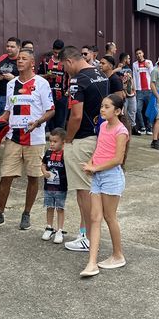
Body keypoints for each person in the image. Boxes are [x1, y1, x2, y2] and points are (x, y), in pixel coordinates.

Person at [0, 48, 54, 232]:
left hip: (35, 138)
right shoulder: (11, 84)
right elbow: (8, 109)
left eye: (24, 59)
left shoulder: (42, 83)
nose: (19, 61)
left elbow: (51, 110)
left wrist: (38, 122)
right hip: (13, 137)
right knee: (6, 176)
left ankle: (26, 213)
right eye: (18, 59)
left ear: (32, 63)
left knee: (33, 177)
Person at [59, 45, 109, 252]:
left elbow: (76, 116)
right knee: (93, 189)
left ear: (69, 61)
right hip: (99, 135)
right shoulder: (100, 73)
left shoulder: (77, 80)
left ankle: (89, 237)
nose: (65, 70)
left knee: (83, 191)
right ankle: (87, 233)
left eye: (64, 66)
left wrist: (67, 140)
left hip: (82, 139)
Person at [80, 93, 129, 278]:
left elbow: (117, 159)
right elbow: (99, 149)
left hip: (111, 178)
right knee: (94, 218)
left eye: (107, 107)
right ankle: (92, 262)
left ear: (117, 111)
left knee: (109, 217)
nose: (102, 109)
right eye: (102, 106)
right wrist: (91, 164)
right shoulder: (102, 125)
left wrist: (95, 167)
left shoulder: (121, 131)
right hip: (97, 176)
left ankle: (118, 255)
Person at [40, 127, 68, 244]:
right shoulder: (48, 153)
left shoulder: (65, 155)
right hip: (48, 187)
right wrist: (44, 172)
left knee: (60, 208)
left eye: (55, 141)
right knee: (49, 207)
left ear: (63, 142)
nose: (51, 144)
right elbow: (43, 164)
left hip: (61, 188)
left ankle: (59, 230)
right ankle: (49, 227)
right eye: (50, 141)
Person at [39, 39, 67, 131]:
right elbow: (37, 76)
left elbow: (73, 76)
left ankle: (59, 139)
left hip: (62, 95)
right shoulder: (45, 61)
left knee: (60, 120)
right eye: (55, 52)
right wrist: (47, 75)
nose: (57, 55)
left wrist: (68, 91)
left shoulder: (66, 62)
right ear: (52, 49)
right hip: (47, 95)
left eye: (59, 53)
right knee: (47, 119)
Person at [132, 49, 154, 135]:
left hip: (148, 90)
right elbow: (134, 76)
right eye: (137, 54)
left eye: (140, 53)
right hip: (139, 90)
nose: (138, 55)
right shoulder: (134, 64)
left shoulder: (149, 62)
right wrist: (134, 89)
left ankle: (149, 128)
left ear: (143, 53)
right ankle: (142, 127)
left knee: (149, 109)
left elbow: (152, 74)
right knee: (138, 109)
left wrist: (149, 67)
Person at [118, 53, 137, 133]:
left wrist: (134, 88)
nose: (129, 60)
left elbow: (131, 79)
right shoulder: (119, 69)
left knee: (133, 110)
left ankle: (133, 127)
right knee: (124, 112)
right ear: (125, 59)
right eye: (128, 58)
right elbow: (119, 81)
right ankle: (124, 127)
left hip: (131, 93)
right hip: (124, 94)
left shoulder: (129, 69)